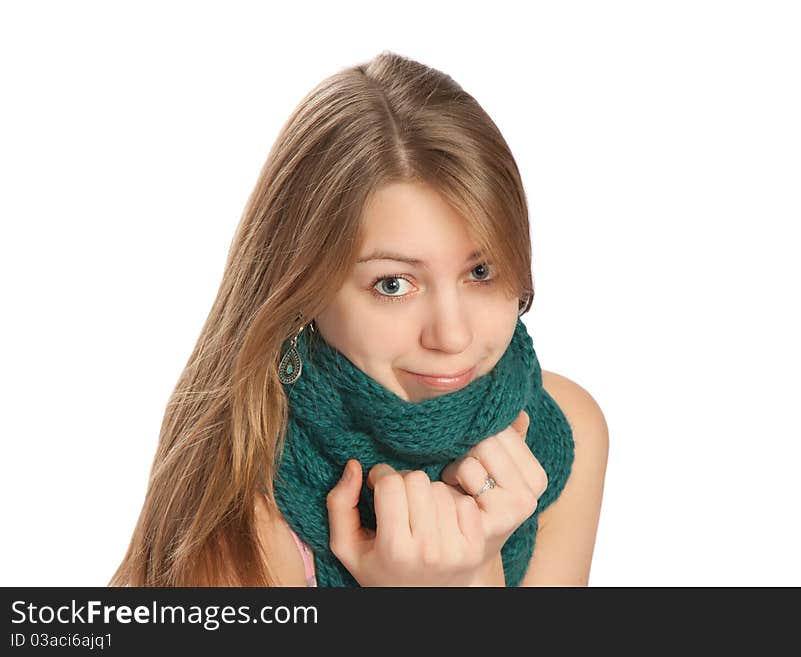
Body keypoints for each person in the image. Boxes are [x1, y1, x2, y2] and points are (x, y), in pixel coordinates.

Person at [109, 50, 609, 587]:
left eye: (481, 271)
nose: (452, 335)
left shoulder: (562, 429)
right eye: (393, 285)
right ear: (305, 287)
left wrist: (478, 568)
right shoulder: (249, 518)